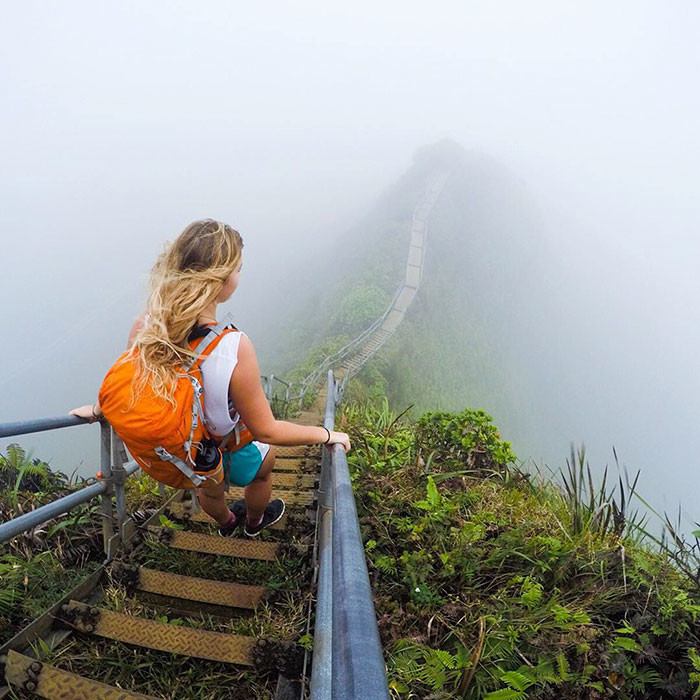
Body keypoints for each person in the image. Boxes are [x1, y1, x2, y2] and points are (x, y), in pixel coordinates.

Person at [70, 219, 350, 537]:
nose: (239, 275)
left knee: (209, 490)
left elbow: (131, 382)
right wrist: (327, 435)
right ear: (221, 279)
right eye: (238, 269)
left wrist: (97, 410)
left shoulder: (146, 327)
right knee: (264, 467)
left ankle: (227, 523)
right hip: (234, 450)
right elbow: (267, 430)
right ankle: (255, 523)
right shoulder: (233, 346)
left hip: (189, 457)